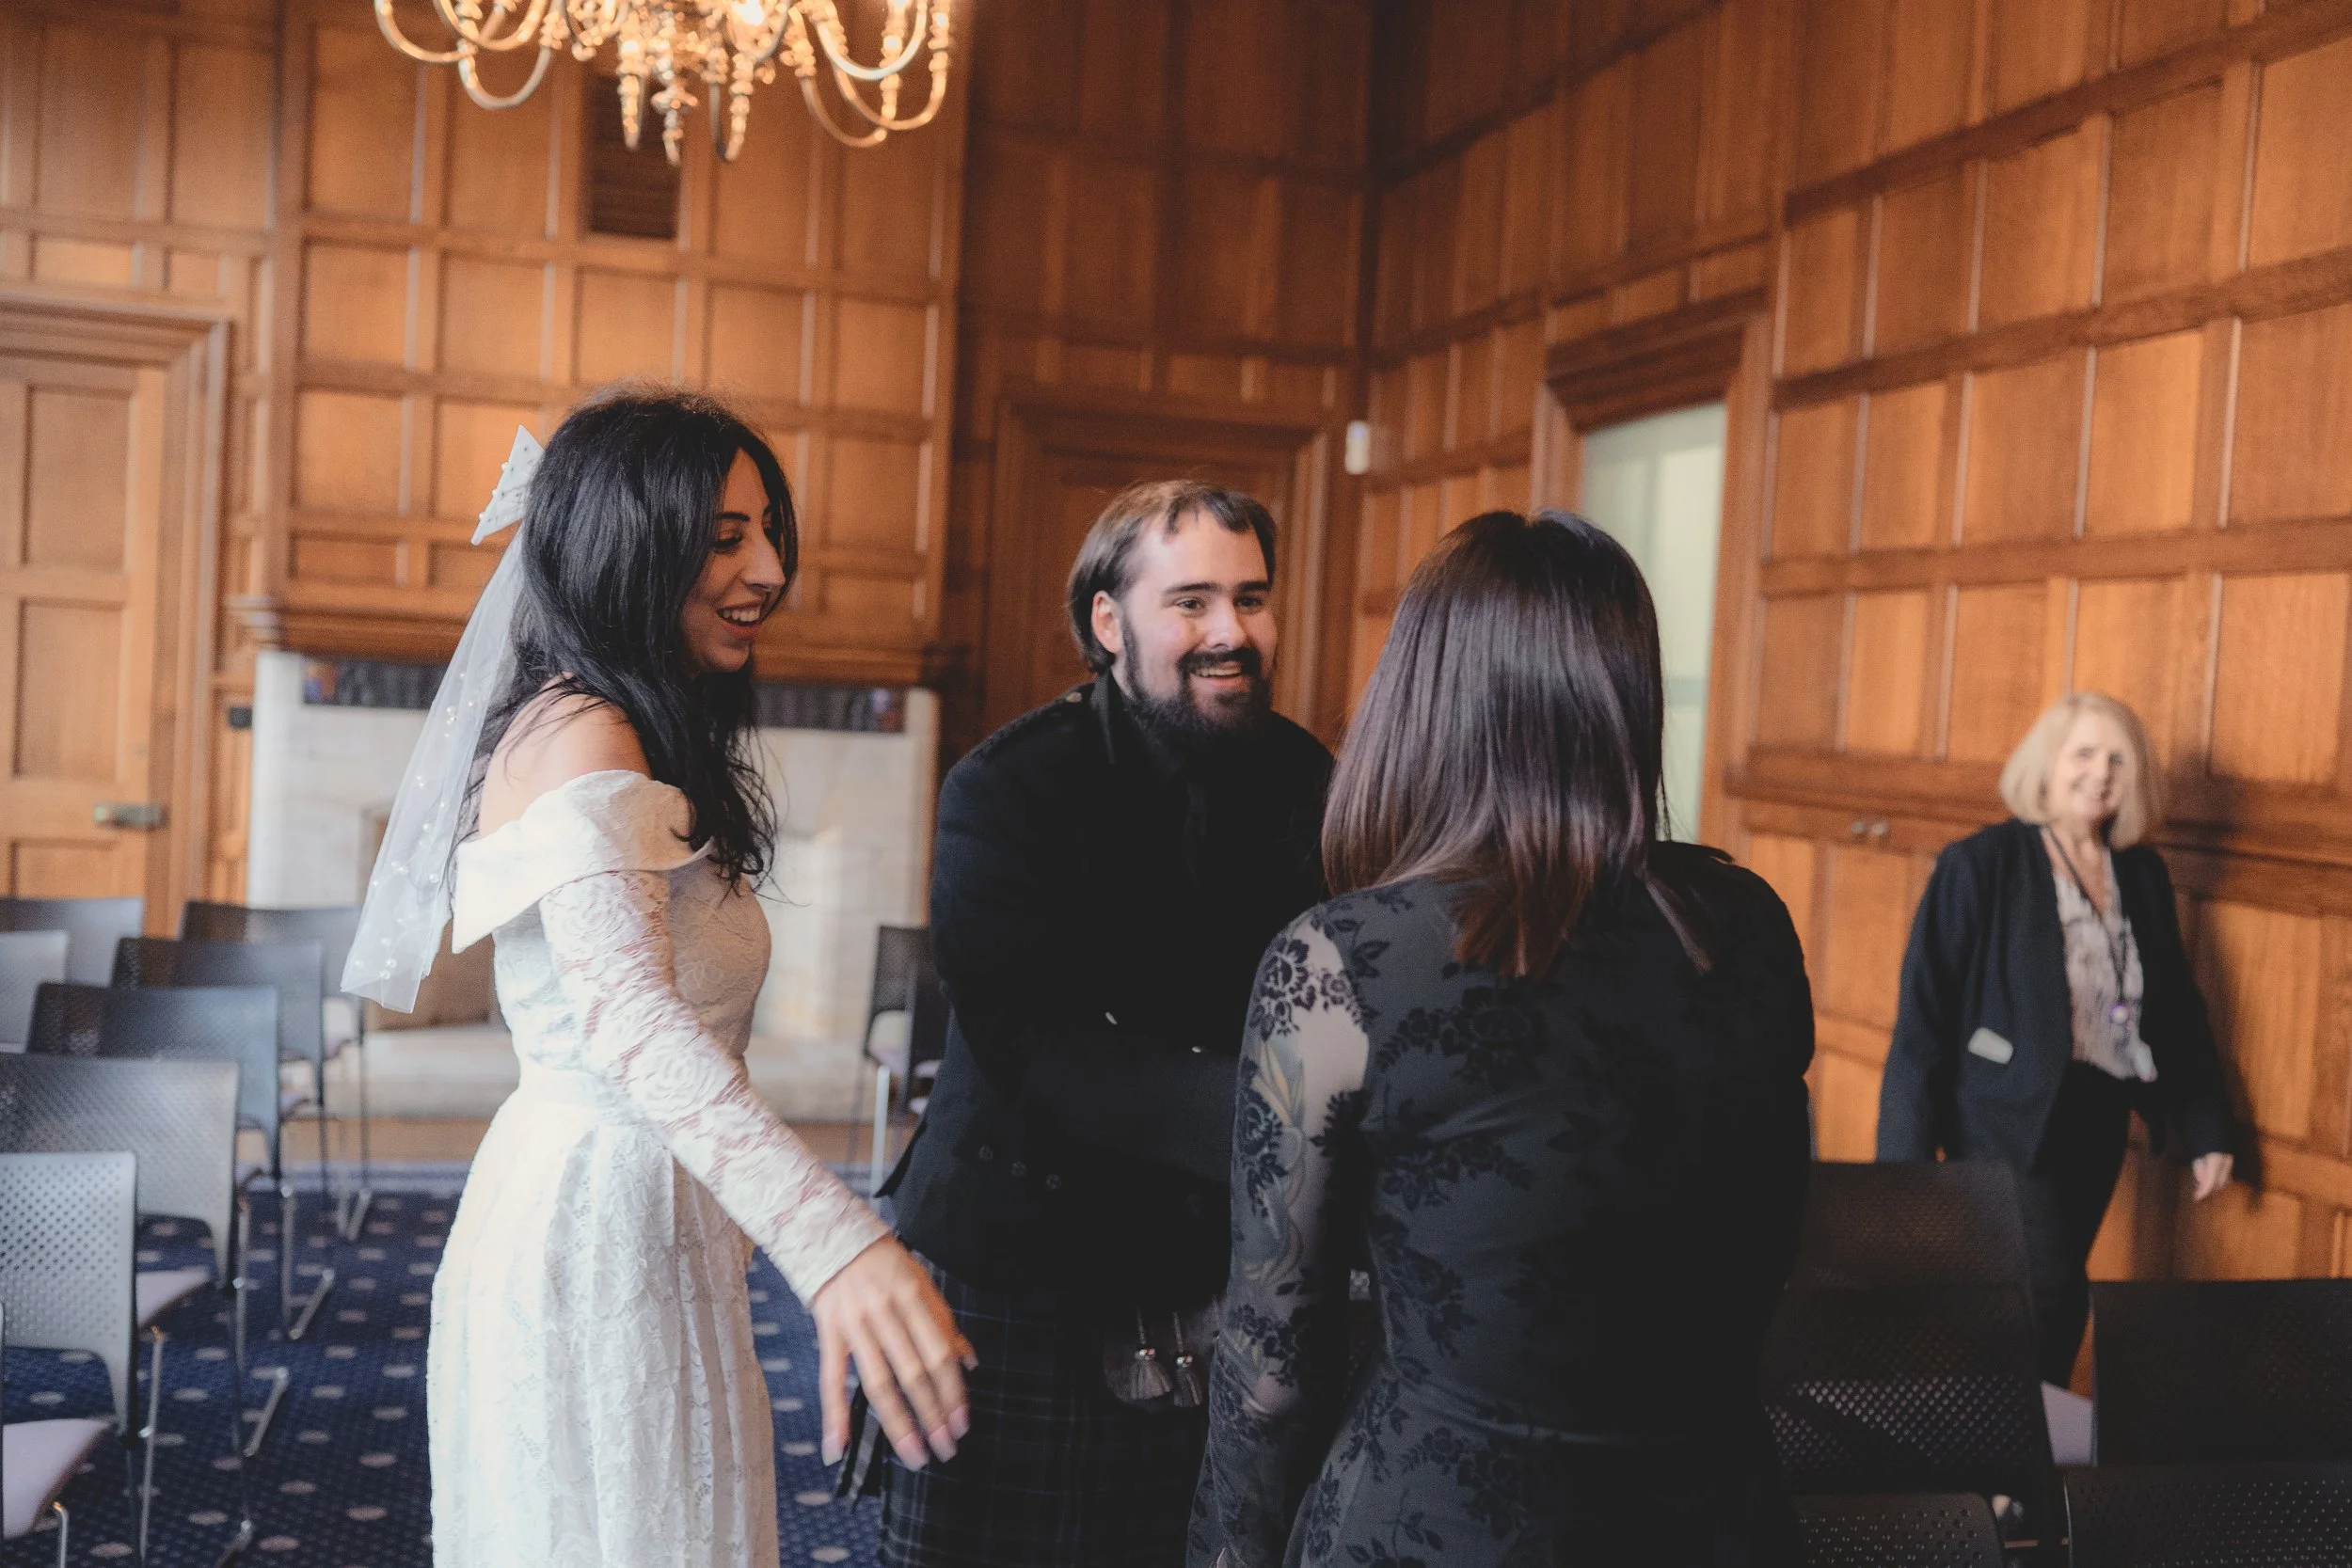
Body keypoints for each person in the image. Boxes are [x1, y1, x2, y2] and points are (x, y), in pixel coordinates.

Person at [346, 388, 971, 1567]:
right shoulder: (582, 731)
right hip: (591, 1234)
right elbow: (632, 1023)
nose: (770, 567)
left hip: (652, 1214)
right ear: (629, 543)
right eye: (726, 535)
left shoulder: (627, 721)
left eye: (768, 531)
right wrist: (834, 1237)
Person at [1191, 510, 1817, 1567]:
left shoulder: (1341, 960)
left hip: (1443, 1527)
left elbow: (1269, 1368)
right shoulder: (1742, 919)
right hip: (1715, 1520)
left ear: (1422, 703)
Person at [870, 480, 1333, 1566]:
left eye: (1253, 599)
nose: (1231, 632)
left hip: (1222, 1254)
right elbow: (1039, 1044)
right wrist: (1293, 1121)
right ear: (1107, 622)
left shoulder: (1314, 780)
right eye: (1194, 601)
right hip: (1021, 1259)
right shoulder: (1005, 785)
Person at [1879, 691, 2236, 1385]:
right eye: (2083, 753)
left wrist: (2207, 1127)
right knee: (2047, 1292)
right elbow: (1922, 1020)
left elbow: (2176, 1013)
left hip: (2096, 1115)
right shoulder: (1981, 862)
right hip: (2001, 1118)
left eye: (2117, 758)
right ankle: (2010, 1469)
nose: (2099, 772)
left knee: (2054, 1286)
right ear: (2047, 763)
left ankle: (2010, 1461)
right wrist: (1905, 1173)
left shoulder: (2140, 872)